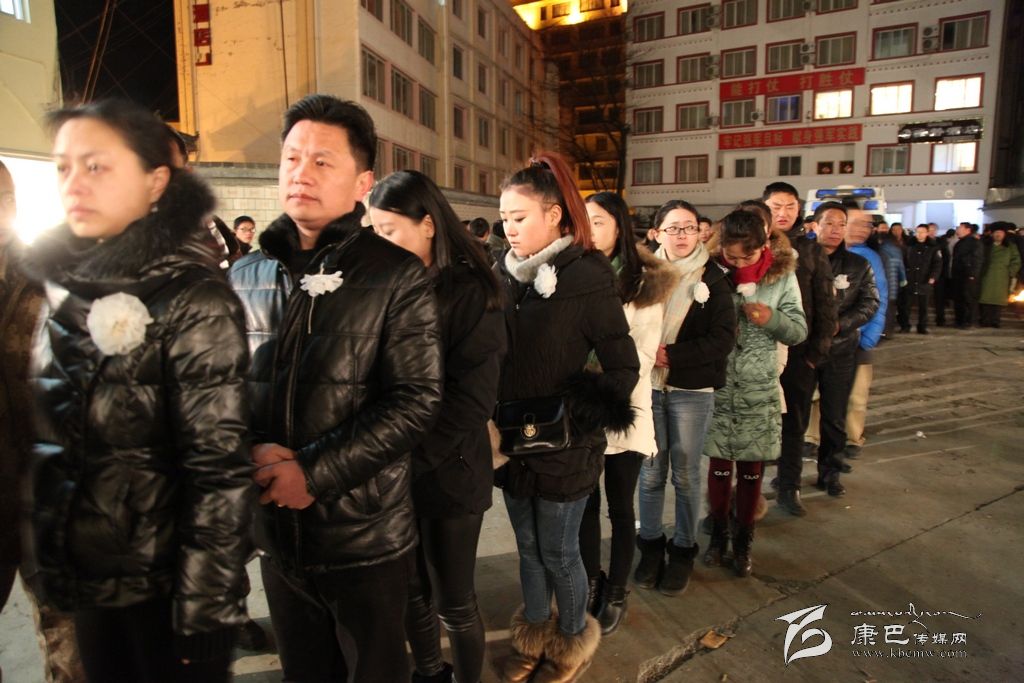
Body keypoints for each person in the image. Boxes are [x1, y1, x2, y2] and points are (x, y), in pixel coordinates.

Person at [22, 99, 254, 683]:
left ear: (156, 182)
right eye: (63, 167)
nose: (74, 183)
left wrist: (205, 608)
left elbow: (217, 467)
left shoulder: (192, 297)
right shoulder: (66, 289)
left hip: (165, 595)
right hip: (93, 583)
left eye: (97, 165)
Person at [228, 95, 443, 682]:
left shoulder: (395, 275)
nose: (301, 172)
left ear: (362, 183)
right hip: (275, 531)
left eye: (322, 161)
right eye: (291, 158)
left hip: (363, 537)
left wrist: (313, 473)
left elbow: (416, 400)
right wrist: (248, 452)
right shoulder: (244, 275)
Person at [493, 153, 638, 682]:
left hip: (566, 446)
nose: (510, 229)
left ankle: (572, 642)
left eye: (520, 217)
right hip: (512, 442)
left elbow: (623, 366)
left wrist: (576, 414)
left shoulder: (587, 275)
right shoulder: (501, 275)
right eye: (504, 218)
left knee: (559, 551)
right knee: (528, 548)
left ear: (554, 215)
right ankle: (534, 634)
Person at [367, 171, 506, 683]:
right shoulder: (388, 287)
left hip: (450, 470)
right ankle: (430, 672)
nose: (379, 243)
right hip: (394, 468)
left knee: (454, 600)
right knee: (409, 591)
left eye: (389, 231)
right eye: (373, 232)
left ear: (427, 224)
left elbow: (471, 400)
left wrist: (410, 458)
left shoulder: (471, 292)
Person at [576, 192, 677, 633]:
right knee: (583, 504)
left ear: (619, 226)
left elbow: (642, 354)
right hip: (580, 408)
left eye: (598, 221)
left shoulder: (644, 284)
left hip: (624, 408)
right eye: (584, 221)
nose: (590, 229)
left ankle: (616, 590)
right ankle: (590, 584)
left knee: (619, 506)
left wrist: (594, 374)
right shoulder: (575, 273)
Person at [633, 199, 736, 596]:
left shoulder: (715, 277)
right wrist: (648, 355)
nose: (682, 235)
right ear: (657, 233)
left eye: (689, 227)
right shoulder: (642, 273)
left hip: (691, 390)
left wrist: (671, 355)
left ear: (700, 233)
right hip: (647, 387)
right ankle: (650, 547)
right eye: (673, 228)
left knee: (687, 475)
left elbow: (723, 338)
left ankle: (682, 550)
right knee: (651, 473)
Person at [703, 210, 806, 576]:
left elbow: (798, 330)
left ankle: (744, 540)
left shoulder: (782, 275)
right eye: (731, 257)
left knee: (751, 470)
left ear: (764, 246)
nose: (739, 263)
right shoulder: (710, 271)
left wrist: (771, 319)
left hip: (759, 387)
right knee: (718, 468)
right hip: (717, 384)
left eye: (747, 257)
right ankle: (718, 535)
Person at [763, 182, 837, 517]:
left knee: (794, 422)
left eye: (790, 206)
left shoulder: (810, 250)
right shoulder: (753, 244)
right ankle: (746, 488)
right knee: (755, 421)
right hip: (759, 352)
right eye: (776, 206)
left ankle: (789, 485)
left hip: (798, 352)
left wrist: (815, 355)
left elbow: (826, 306)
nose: (783, 213)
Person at [812, 203, 879, 496]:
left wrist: (842, 325)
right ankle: (788, 478)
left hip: (841, 350)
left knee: (834, 415)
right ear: (815, 226)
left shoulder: (858, 264)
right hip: (803, 349)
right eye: (829, 223)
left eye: (841, 224)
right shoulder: (800, 260)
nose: (836, 230)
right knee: (796, 416)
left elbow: (870, 302)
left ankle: (830, 473)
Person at [841, 208, 887, 459]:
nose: (862, 229)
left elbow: (881, 298)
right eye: (856, 223)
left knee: (857, 394)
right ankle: (811, 437)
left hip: (860, 336)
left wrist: (869, 336)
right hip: (826, 336)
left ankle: (852, 437)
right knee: (816, 393)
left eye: (867, 225)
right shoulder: (820, 253)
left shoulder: (871, 258)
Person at [899, 225, 941, 334]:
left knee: (924, 306)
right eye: (917, 232)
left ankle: (922, 326)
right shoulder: (909, 246)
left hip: (925, 279)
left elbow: (937, 264)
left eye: (922, 232)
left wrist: (933, 277)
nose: (919, 234)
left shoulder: (933, 247)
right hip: (910, 279)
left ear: (927, 233)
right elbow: (902, 262)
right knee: (906, 305)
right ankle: (905, 325)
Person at [978, 222, 1021, 327]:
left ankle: (995, 320)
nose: (998, 235)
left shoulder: (1010, 246)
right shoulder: (985, 246)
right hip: (987, 275)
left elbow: (1016, 261)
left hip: (1002, 276)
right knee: (985, 299)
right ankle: (985, 320)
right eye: (996, 232)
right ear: (992, 234)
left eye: (1000, 233)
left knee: (998, 300)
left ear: (1004, 234)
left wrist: (1010, 271)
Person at [951, 223, 983, 328]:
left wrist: (973, 274)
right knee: (959, 298)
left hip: (968, 275)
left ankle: (969, 321)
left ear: (967, 230)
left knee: (968, 299)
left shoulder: (974, 243)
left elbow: (977, 260)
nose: (957, 229)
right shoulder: (960, 242)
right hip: (958, 275)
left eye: (960, 228)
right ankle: (960, 320)